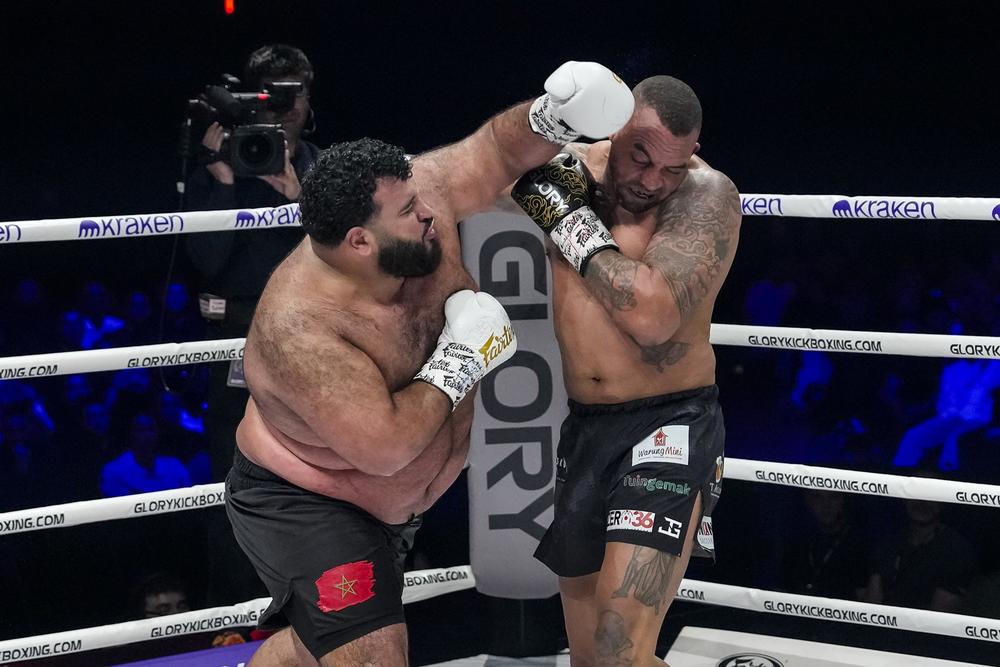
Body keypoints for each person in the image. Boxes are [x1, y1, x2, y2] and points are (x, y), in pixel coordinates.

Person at [225, 61, 635, 665]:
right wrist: (459, 361)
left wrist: (551, 118)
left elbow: (495, 151)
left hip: (394, 507)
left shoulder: (419, 200)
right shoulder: (303, 328)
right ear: (359, 241)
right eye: (407, 211)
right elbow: (385, 449)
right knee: (374, 653)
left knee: (320, 646)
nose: (427, 214)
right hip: (309, 501)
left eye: (418, 199)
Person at [511, 75, 741, 665]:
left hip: (671, 425)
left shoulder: (706, 194)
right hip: (587, 428)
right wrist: (540, 128)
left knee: (620, 652)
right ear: (614, 128)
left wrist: (567, 219)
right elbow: (474, 178)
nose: (652, 181)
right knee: (591, 658)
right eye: (640, 158)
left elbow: (652, 316)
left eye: (671, 167)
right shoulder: (567, 168)